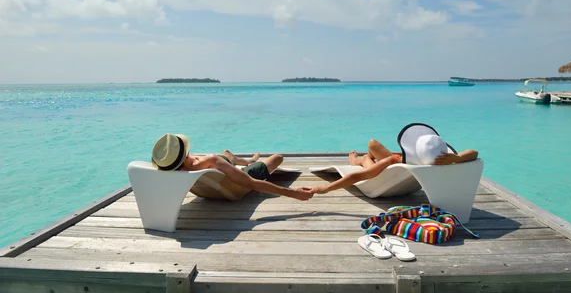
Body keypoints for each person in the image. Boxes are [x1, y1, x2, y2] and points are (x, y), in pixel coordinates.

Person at [152, 133, 313, 201]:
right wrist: (293, 193)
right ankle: (251, 163)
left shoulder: (171, 169)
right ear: (186, 155)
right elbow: (251, 183)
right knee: (278, 157)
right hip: (236, 187)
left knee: (227, 153)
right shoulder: (211, 160)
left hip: (209, 191)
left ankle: (248, 160)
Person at [309, 135, 478, 195]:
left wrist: (326, 189)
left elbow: (358, 176)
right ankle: (363, 159)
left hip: (387, 178)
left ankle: (358, 161)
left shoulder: (394, 162)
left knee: (368, 158)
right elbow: (474, 153)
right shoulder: (446, 161)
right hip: (409, 178)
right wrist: (456, 158)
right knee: (373, 144)